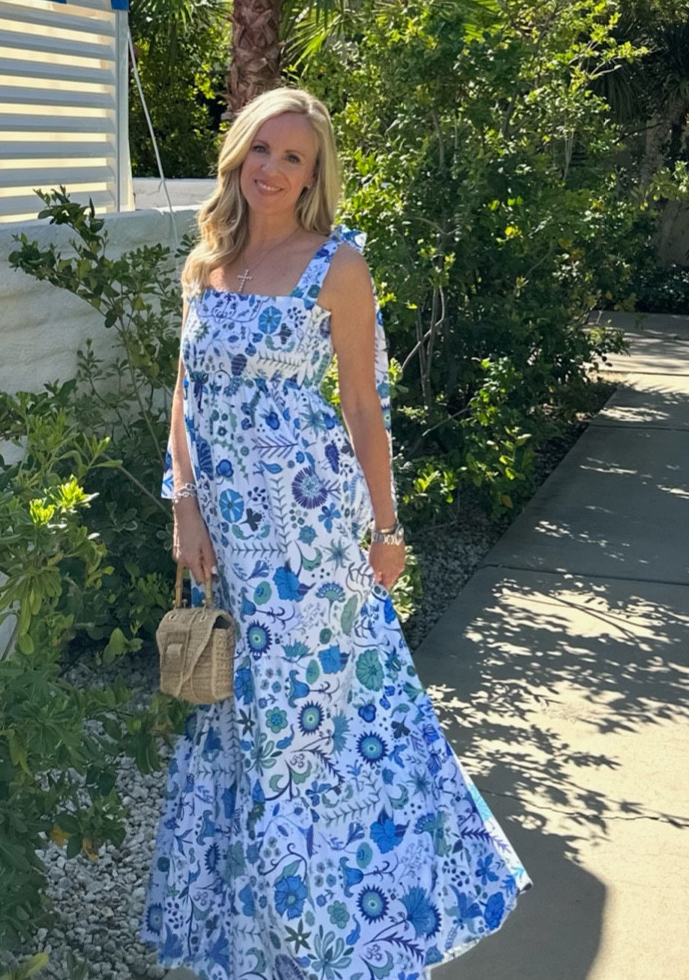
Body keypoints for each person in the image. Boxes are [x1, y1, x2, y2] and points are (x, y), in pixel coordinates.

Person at [139, 87, 532, 980]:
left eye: (293, 158)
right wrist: (184, 506)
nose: (270, 170)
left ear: (314, 177)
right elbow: (183, 394)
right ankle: (256, 932)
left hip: (311, 532)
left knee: (316, 719)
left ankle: (342, 930)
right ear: (237, 154)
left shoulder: (335, 264)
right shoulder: (208, 261)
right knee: (241, 716)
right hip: (228, 537)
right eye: (260, 150)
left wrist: (386, 526)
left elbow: (362, 404)